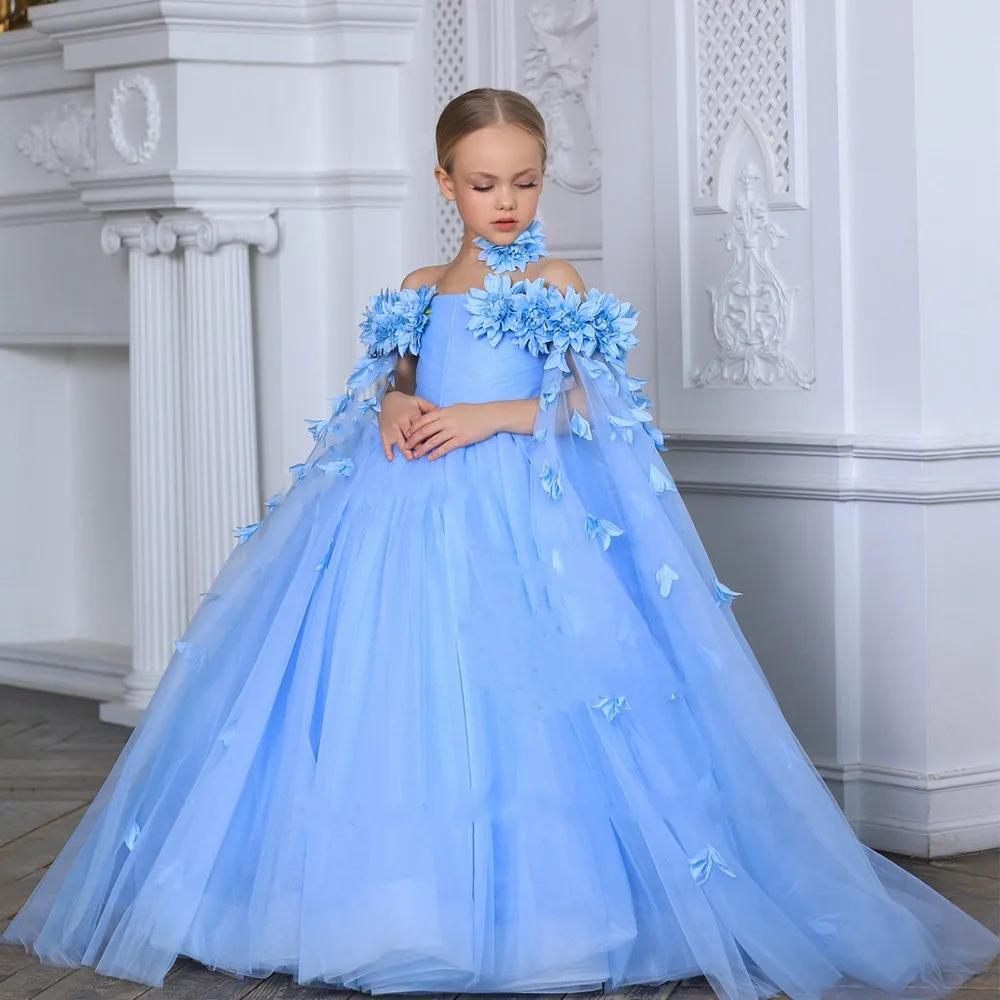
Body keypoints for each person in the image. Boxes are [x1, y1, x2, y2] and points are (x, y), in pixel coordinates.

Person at [4, 88, 998, 1000]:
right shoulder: (416, 282)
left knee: (527, 698)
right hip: (397, 519)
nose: (507, 201)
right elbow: (388, 381)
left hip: (526, 514)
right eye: (484, 184)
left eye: (524, 181)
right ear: (446, 184)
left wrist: (489, 417)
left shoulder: (558, 278)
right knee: (399, 699)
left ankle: (549, 910)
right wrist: (395, 401)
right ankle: (390, 904)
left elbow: (597, 408)